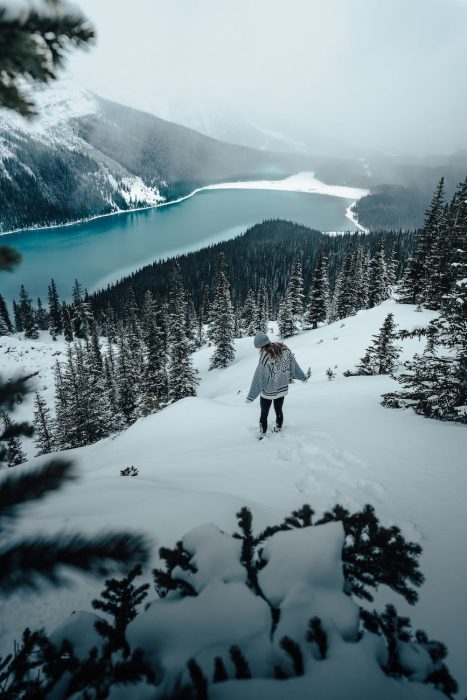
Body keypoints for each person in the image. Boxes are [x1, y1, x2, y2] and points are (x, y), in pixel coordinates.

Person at [246, 331, 306, 438]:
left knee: (264, 413)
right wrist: (302, 376)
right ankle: (278, 428)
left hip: (269, 390)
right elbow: (293, 365)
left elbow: (259, 377)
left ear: (260, 345)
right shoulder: (284, 349)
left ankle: (263, 434)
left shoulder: (265, 355)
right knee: (279, 409)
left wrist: (251, 396)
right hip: (282, 387)